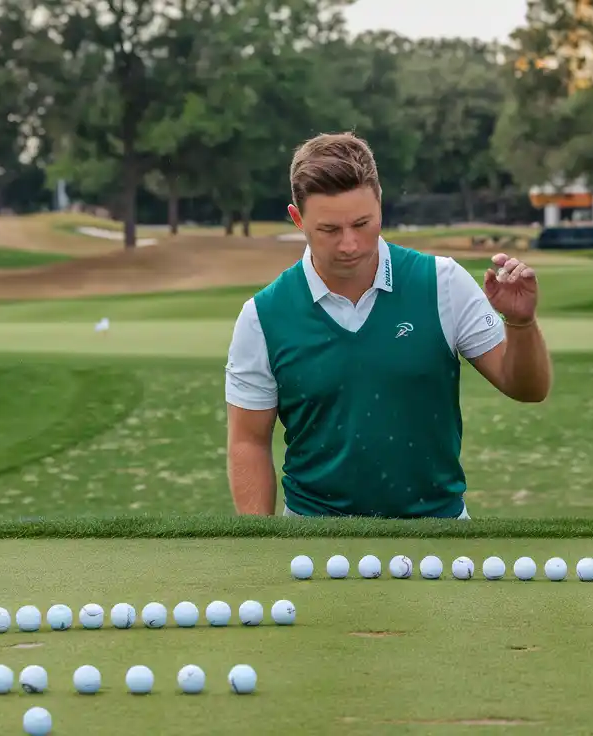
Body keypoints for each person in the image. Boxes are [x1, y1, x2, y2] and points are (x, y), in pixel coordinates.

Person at [224, 132, 552, 519]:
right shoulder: (262, 315)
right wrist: (260, 547)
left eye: (362, 223)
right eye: (330, 230)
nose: (350, 244)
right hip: (312, 538)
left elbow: (528, 389)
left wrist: (521, 323)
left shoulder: (442, 283)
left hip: (437, 530)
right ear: (297, 219)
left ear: (380, 203)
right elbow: (248, 441)